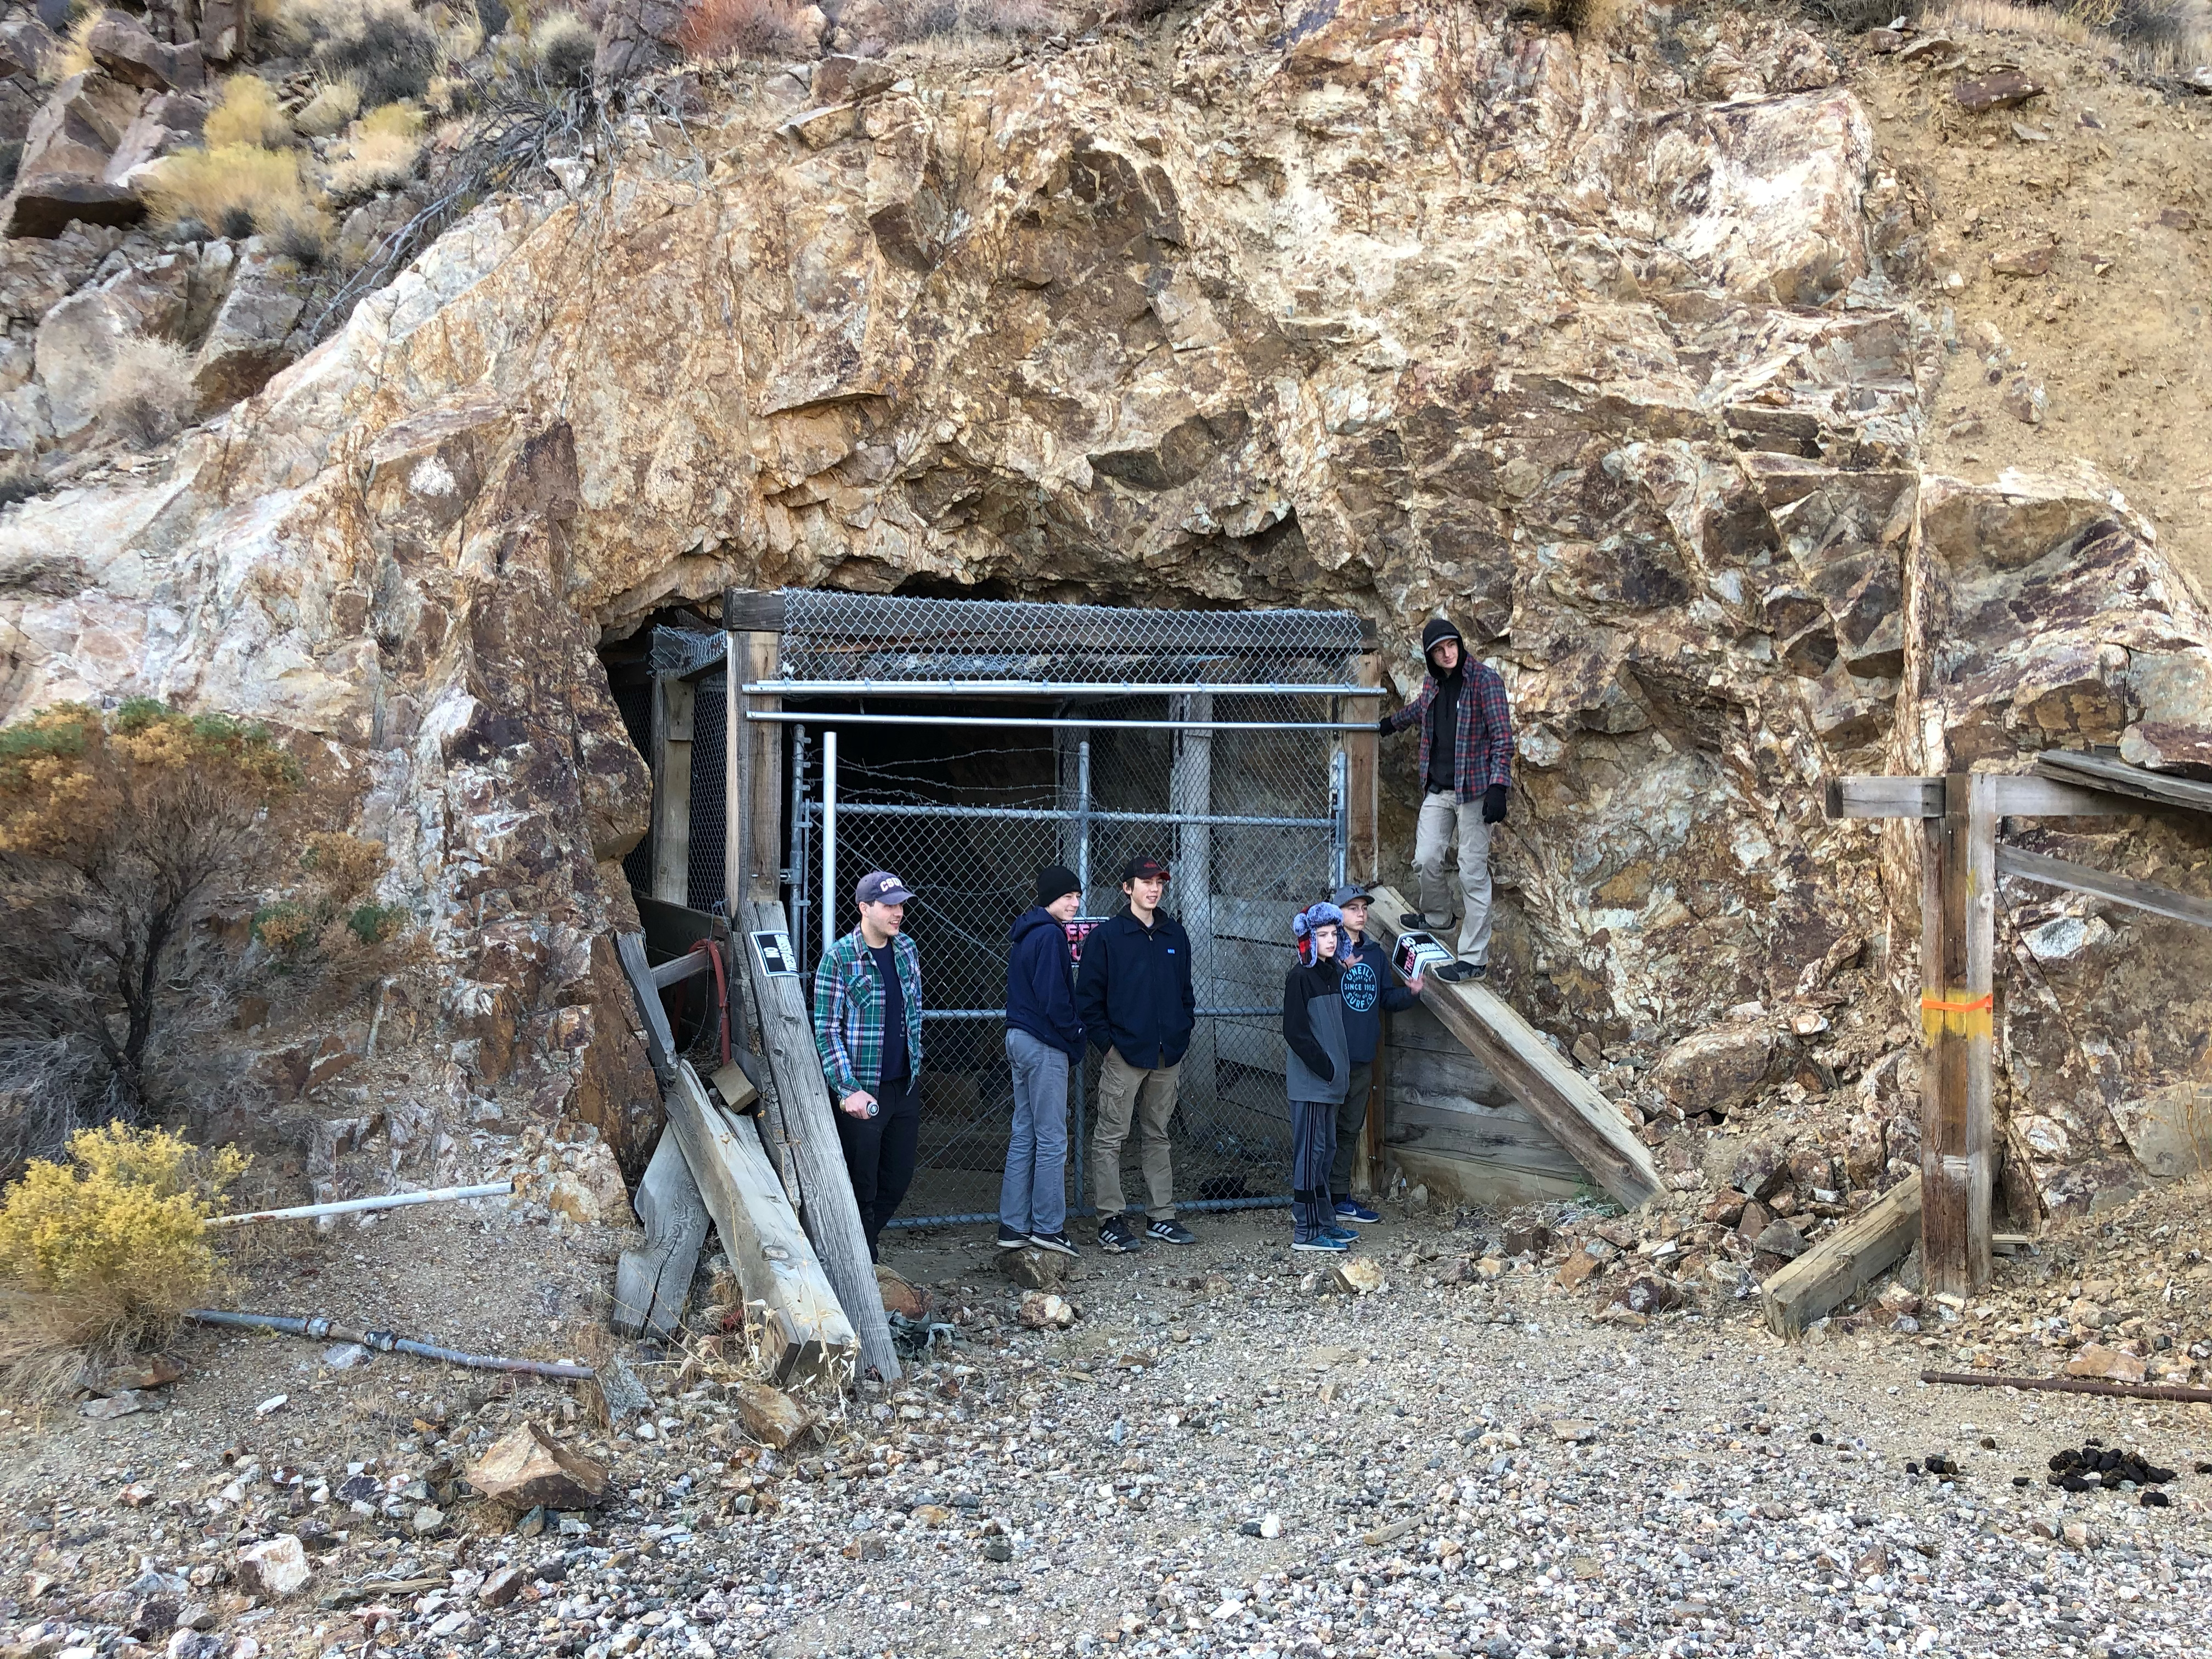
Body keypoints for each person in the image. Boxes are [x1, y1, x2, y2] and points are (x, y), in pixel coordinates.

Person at [1379, 616, 1515, 981]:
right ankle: (1438, 917)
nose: (1447, 653)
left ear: (1460, 644)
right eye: (1439, 650)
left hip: (1475, 793)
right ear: (1431, 657)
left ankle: (1473, 960)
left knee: (1472, 873)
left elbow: (1503, 739)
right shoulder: (1434, 685)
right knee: (1425, 859)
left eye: (1451, 645)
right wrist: (1391, 724)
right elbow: (1420, 708)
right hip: (1439, 788)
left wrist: (1499, 788)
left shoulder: (1486, 682)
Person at [1074, 855, 1198, 1253]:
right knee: (1111, 1136)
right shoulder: (1108, 938)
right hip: (1124, 1055)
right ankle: (1110, 1219)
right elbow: (1088, 1000)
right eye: (1145, 882)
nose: (1154, 888)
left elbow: (1185, 993)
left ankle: (1161, 1216)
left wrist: (1181, 1031)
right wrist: (1109, 1047)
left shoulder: (1175, 934)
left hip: (1168, 1055)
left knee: (1158, 1133)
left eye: (1159, 881)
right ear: (1127, 888)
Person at [812, 870, 925, 1262]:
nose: (899, 913)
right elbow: (826, 1031)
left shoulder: (908, 949)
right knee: (862, 1182)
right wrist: (847, 1089)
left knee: (898, 1178)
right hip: (863, 1089)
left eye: (901, 905)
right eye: (890, 906)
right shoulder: (840, 958)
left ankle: (863, 1245)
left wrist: (916, 1063)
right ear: (865, 907)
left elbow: (914, 1013)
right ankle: (862, 1262)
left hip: (902, 1086)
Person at [1000, 865, 1086, 1257]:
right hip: (1042, 1043)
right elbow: (1055, 1001)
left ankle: (1014, 1225)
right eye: (1068, 896)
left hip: (1018, 1038)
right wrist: (1076, 1035)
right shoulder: (1050, 936)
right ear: (1051, 897)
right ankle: (1048, 1228)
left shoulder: (1027, 933)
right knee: (1052, 1138)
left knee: (1025, 1132)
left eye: (1077, 896)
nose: (1075, 903)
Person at [1327, 882, 1424, 1224]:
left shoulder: (1374, 955)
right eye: (1353, 908)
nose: (1361, 913)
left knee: (1350, 1128)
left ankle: (1339, 1197)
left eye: (1364, 908)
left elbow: (1386, 999)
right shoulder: (1325, 951)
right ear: (1337, 914)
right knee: (1323, 1129)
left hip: (1362, 1057)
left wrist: (1411, 992)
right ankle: (1315, 1199)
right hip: (1329, 1058)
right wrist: (1338, 964)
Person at [1282, 902, 1358, 1253]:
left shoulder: (1332, 974)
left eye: (1334, 934)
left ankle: (1325, 1221)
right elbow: (1295, 1033)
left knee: (1325, 1150)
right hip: (1313, 1083)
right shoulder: (1300, 977)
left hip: (1330, 1084)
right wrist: (1326, 1068)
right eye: (1323, 935)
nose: (1330, 941)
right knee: (1310, 1153)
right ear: (1309, 939)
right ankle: (1307, 1230)